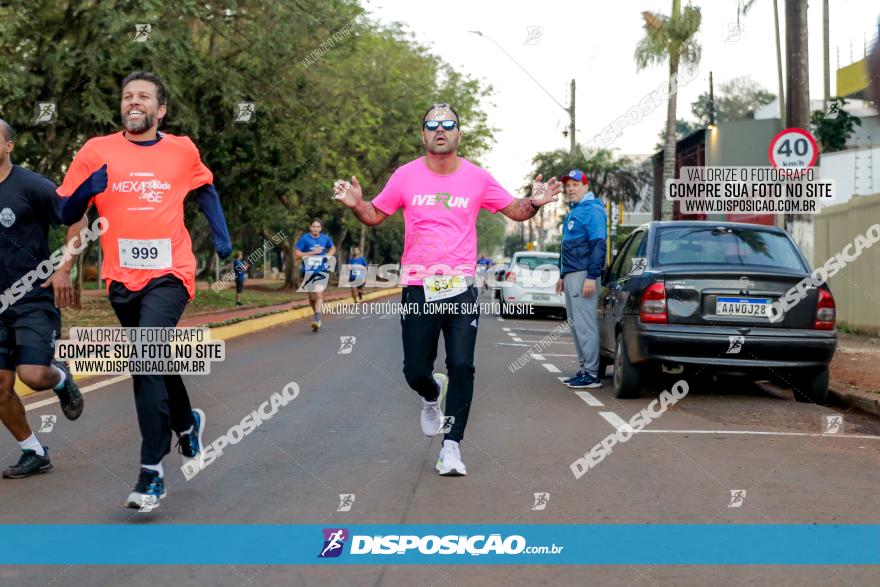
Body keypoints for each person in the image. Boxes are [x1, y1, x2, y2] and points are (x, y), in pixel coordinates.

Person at [334, 103, 561, 476]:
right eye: (432, 124)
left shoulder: (478, 178)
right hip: (419, 288)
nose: (440, 129)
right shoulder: (405, 176)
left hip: (460, 288)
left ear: (459, 133)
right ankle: (429, 393)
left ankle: (451, 447)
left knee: (462, 365)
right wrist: (358, 205)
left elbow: (517, 210)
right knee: (414, 370)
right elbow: (376, 215)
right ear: (423, 134)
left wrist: (534, 202)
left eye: (448, 124)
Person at [57, 71, 233, 509]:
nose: (133, 102)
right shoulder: (96, 150)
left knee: (145, 357)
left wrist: (222, 236)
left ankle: (151, 472)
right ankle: (187, 423)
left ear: (161, 109)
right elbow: (66, 211)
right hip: (121, 278)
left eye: (143, 97)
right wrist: (84, 197)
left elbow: (206, 187)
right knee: (154, 357)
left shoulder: (182, 149)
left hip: (171, 273)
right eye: (127, 96)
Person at [0, 118, 87, 479]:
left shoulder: (31, 185)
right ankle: (34, 451)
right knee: (0, 389)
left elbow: (78, 217)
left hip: (32, 299)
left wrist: (63, 269)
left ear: (8, 146)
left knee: (34, 376)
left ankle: (61, 379)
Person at [555, 170, 607, 390]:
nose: (570, 189)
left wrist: (592, 276)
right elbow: (567, 245)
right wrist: (562, 274)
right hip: (572, 273)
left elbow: (598, 244)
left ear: (586, 186)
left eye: (575, 185)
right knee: (577, 325)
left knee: (585, 326)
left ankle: (592, 374)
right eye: (568, 185)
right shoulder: (577, 210)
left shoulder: (593, 210)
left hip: (584, 273)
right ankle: (585, 369)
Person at [294, 218, 335, 331]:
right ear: (310, 227)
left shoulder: (325, 238)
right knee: (312, 298)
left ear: (321, 228)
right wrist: (311, 253)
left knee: (318, 294)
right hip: (308, 271)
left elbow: (332, 248)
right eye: (313, 226)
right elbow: (297, 254)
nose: (315, 229)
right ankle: (316, 315)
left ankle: (317, 319)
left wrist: (328, 255)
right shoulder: (304, 239)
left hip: (321, 270)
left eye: (318, 227)